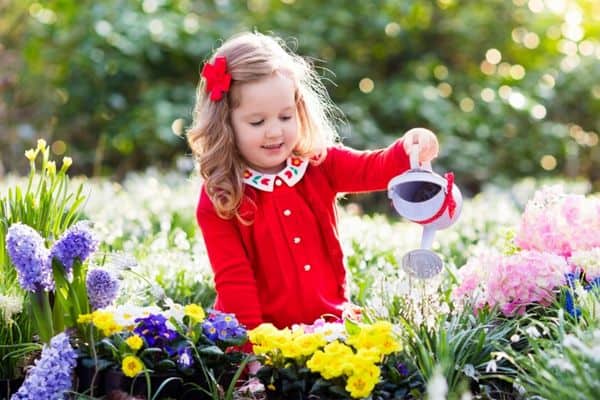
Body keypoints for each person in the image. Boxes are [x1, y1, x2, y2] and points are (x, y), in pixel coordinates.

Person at [187, 32, 439, 330]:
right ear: (225, 125)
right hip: (267, 339)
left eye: (285, 116)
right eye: (257, 122)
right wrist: (250, 356)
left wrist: (408, 148)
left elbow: (372, 168)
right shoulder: (222, 195)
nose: (274, 132)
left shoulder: (318, 163)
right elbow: (234, 283)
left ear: (299, 110)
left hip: (330, 329)